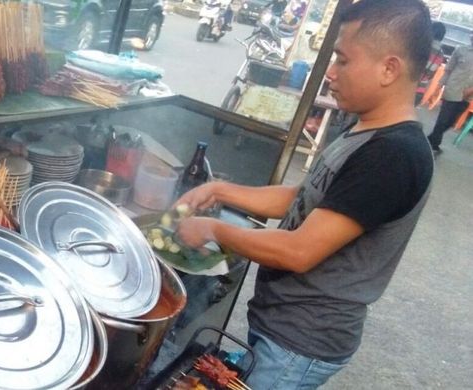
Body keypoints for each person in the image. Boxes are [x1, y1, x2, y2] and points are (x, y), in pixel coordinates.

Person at [175, 0, 434, 388]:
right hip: (284, 327)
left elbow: (298, 251)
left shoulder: (394, 155)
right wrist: (220, 189)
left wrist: (213, 230)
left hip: (301, 343)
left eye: (343, 61)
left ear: (389, 68)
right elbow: (304, 196)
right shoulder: (366, 130)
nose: (330, 73)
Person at [426, 32, 473, 154]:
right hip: (453, 89)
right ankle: (433, 146)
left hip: (469, 95)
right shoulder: (461, 50)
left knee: (451, 122)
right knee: (443, 120)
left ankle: (429, 140)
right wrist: (439, 85)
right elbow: (448, 69)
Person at [415, 21, 447, 106]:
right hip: (419, 91)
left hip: (405, 87)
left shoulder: (420, 45)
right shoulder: (440, 54)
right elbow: (432, 75)